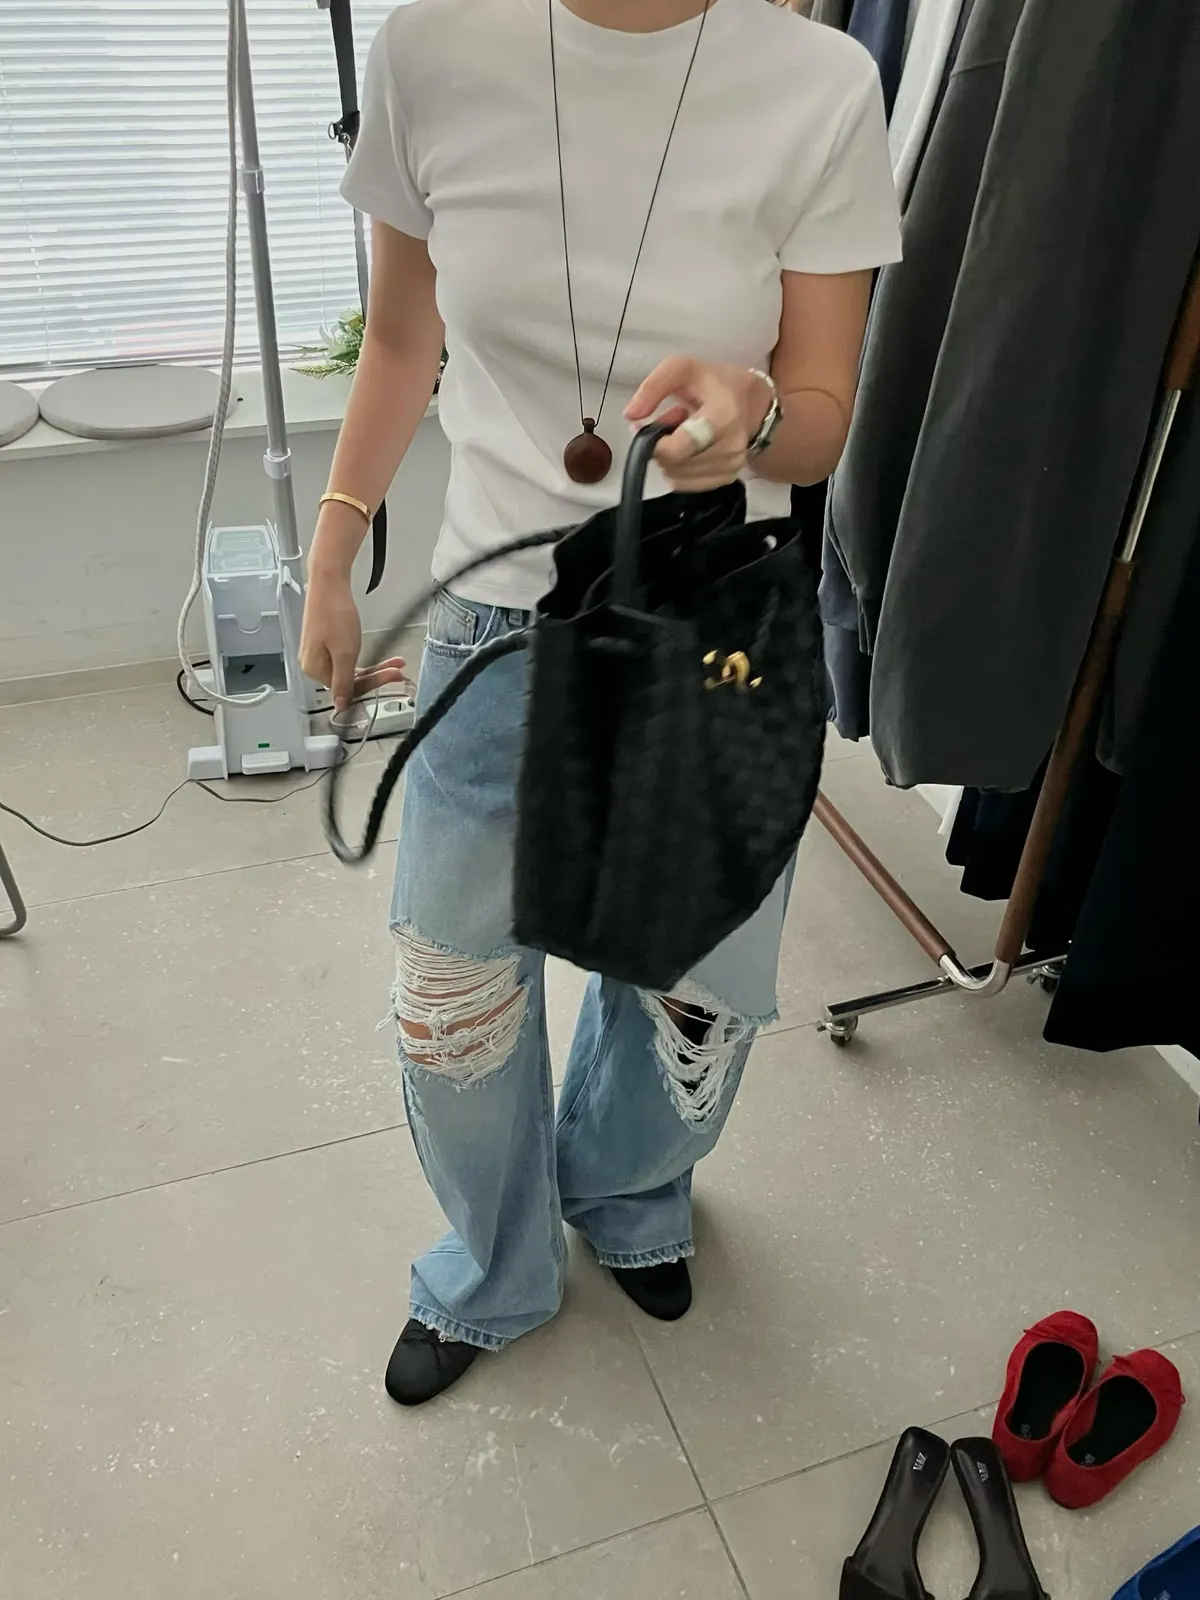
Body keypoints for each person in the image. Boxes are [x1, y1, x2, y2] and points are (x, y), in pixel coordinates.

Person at [299, 0, 901, 1406]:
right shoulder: (431, 51)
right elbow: (402, 340)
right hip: (496, 626)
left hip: (709, 624)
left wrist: (753, 417)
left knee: (693, 983)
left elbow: (821, 412)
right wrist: (332, 548)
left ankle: (630, 1193)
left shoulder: (819, 82)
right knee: (454, 991)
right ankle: (494, 1266)